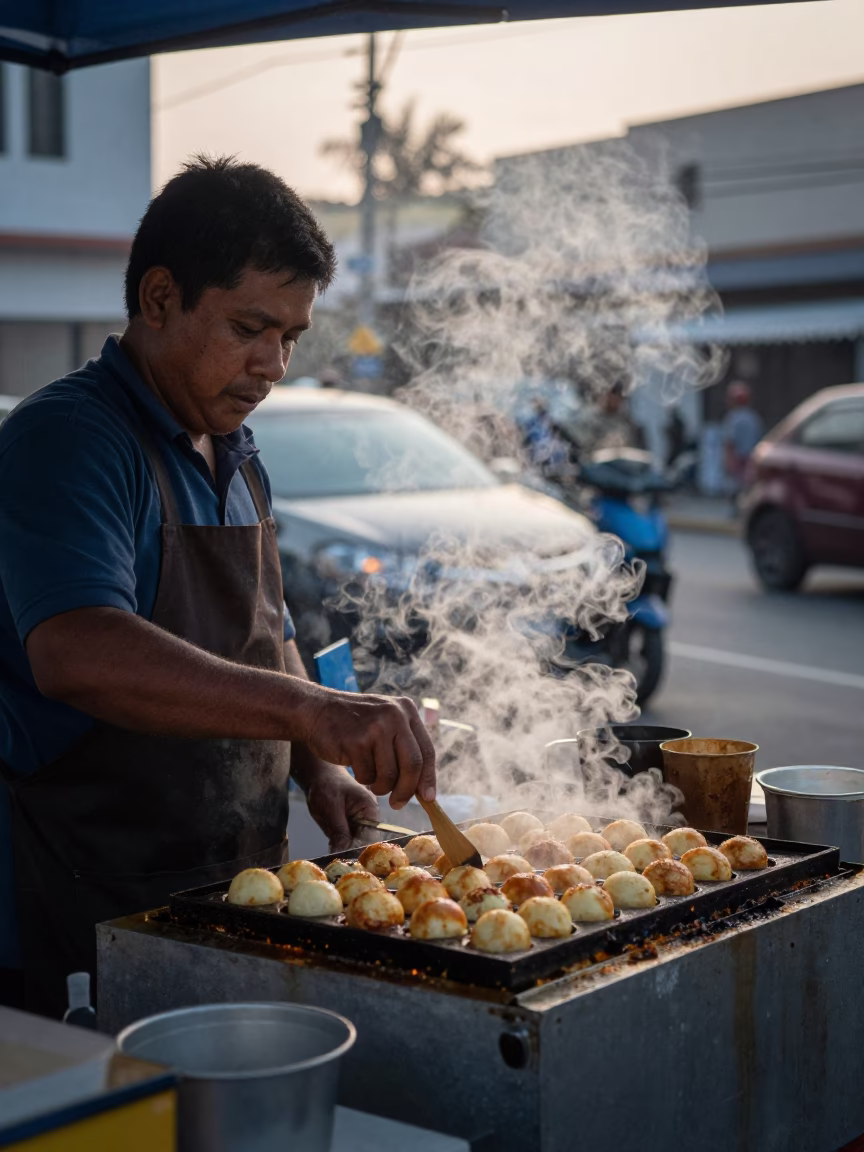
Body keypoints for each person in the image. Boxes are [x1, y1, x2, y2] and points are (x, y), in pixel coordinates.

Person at [0, 157, 436, 1018]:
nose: (272, 364)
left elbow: (264, 634)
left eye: (292, 339)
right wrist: (313, 711)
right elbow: (78, 648)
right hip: (83, 903)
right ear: (160, 298)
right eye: (250, 327)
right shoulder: (70, 438)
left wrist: (318, 770)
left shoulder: (234, 453)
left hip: (227, 890)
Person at [721, 380, 764, 496]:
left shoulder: (733, 418)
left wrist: (728, 460)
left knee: (735, 488)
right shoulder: (753, 417)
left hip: (738, 459)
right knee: (748, 487)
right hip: (752, 458)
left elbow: (730, 442)